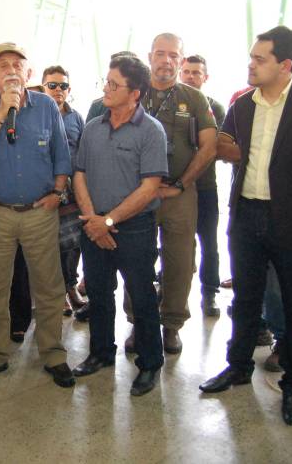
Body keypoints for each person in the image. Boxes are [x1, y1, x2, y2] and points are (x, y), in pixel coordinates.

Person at [200, 26, 292, 427]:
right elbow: (231, 148)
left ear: (285, 64)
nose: (251, 64)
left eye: (259, 58)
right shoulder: (243, 105)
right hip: (247, 215)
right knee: (246, 298)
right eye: (251, 56)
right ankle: (238, 366)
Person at [0, 42, 74, 388]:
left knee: (50, 288)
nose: (10, 70)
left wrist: (57, 192)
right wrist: (0, 113)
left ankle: (53, 354)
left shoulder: (47, 108)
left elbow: (61, 156)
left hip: (40, 212)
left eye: (17, 65)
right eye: (2, 65)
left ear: (29, 74)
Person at [71, 55, 167, 396]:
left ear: (135, 92)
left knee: (141, 297)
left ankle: (150, 363)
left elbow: (150, 187)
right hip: (93, 225)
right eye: (106, 82)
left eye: (114, 85)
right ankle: (100, 353)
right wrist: (94, 221)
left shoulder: (151, 131)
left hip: (135, 229)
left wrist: (109, 221)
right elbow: (79, 173)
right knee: (98, 294)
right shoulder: (94, 126)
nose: (106, 89)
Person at [126, 34, 216, 355]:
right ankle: (138, 322)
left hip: (179, 194)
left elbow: (208, 147)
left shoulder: (193, 99)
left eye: (173, 55)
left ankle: (172, 325)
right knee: (137, 258)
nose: (166, 61)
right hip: (137, 195)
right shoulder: (133, 92)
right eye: (160, 54)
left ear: (181, 60)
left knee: (179, 260)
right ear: (149, 56)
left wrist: (180, 184)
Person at [180, 54, 226, 317]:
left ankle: (210, 293)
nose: (190, 76)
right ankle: (170, 287)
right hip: (174, 187)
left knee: (209, 242)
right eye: (186, 72)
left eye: (196, 72)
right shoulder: (170, 102)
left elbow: (216, 146)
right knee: (175, 243)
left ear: (205, 77)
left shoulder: (215, 108)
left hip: (205, 187)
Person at [41, 66, 86, 315]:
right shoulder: (36, 116)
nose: (59, 90)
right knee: (53, 245)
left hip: (74, 190)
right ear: (43, 86)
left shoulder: (76, 117)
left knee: (73, 243)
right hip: (47, 191)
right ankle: (57, 294)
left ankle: (71, 287)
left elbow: (83, 151)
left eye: (63, 86)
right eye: (53, 85)